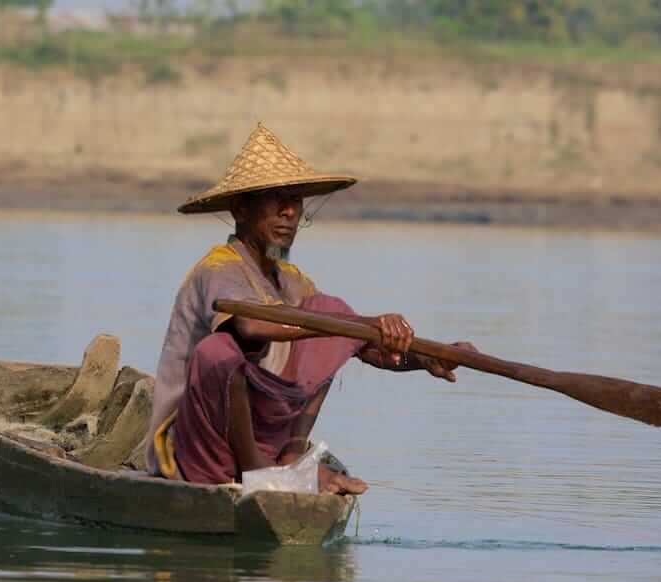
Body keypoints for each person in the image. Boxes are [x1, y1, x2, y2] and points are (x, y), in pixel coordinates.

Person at [144, 123, 476, 494]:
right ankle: (262, 474)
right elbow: (251, 327)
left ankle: (288, 460)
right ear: (240, 209)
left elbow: (363, 346)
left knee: (328, 310)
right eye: (276, 198)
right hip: (198, 453)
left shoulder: (292, 281)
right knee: (218, 351)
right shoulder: (219, 267)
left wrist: (428, 358)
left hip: (262, 439)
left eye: (296, 200)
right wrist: (352, 324)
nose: (289, 212)